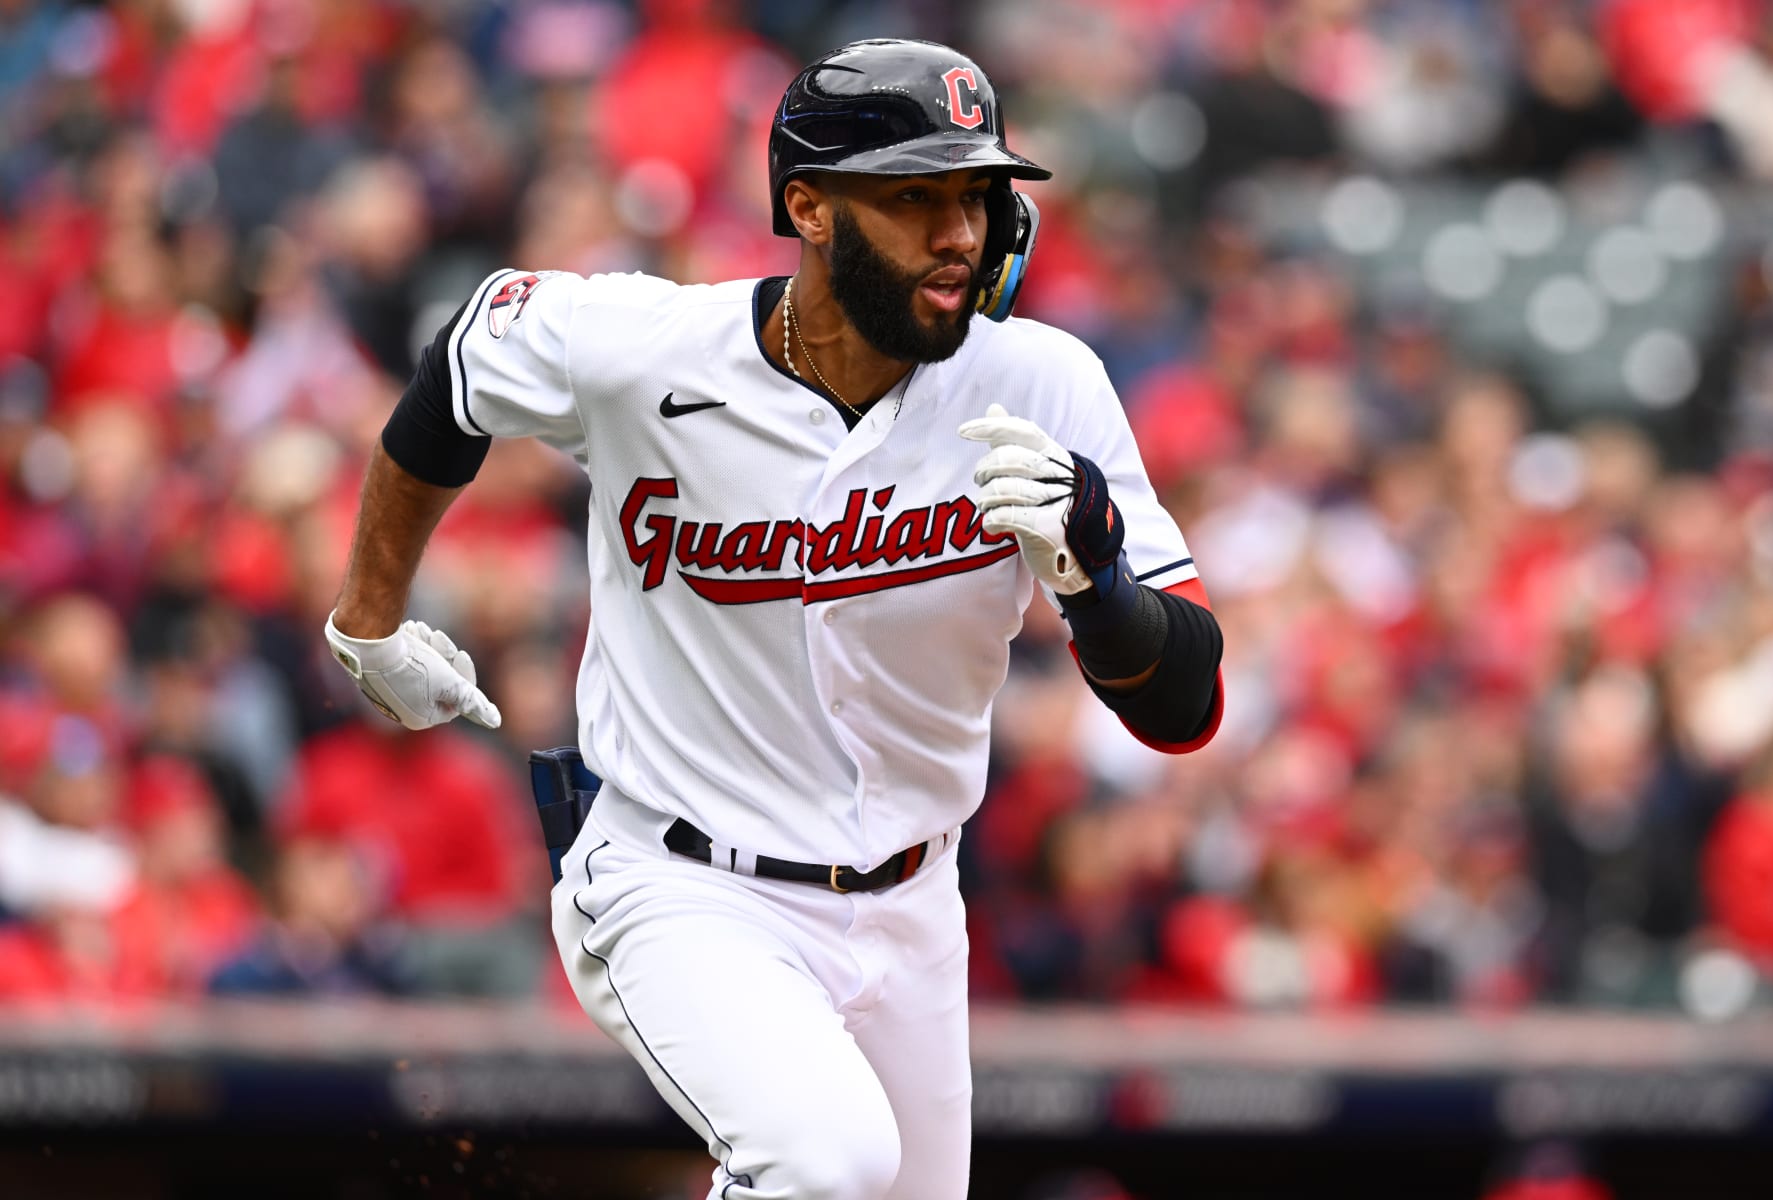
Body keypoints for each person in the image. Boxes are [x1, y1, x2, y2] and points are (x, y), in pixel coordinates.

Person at [322, 38, 1223, 1200]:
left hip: (914, 907)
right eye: (914, 197)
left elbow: (1185, 707)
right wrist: (368, 622)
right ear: (809, 207)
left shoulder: (1042, 385)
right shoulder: (647, 350)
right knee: (822, 1162)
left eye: (976, 195)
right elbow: (458, 370)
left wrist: (1100, 588)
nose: (959, 232)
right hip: (684, 880)